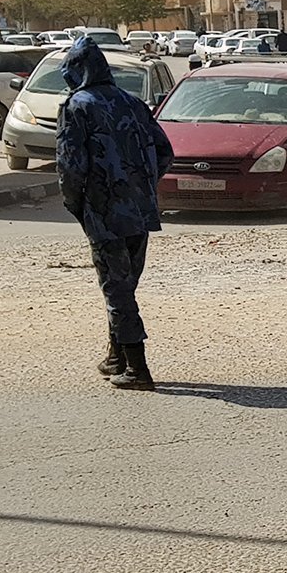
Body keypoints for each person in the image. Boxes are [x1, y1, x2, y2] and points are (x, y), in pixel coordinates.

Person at [54, 36, 175, 391]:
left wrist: (76, 203)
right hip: (139, 208)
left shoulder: (77, 106)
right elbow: (164, 151)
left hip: (104, 210)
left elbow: (70, 165)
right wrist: (143, 183)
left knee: (117, 288)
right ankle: (116, 356)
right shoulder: (133, 103)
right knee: (125, 284)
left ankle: (137, 367)